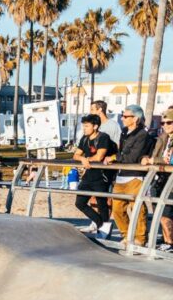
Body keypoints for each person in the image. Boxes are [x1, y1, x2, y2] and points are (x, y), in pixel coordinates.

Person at [109, 105, 152, 248]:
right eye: (123, 115)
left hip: (135, 176)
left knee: (138, 209)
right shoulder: (123, 132)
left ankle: (140, 238)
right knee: (117, 209)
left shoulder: (143, 135)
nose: (122, 118)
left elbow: (133, 157)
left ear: (136, 119)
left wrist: (115, 157)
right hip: (121, 176)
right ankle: (127, 235)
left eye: (126, 116)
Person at [72, 114, 113, 236]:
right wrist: (83, 159)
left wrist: (86, 159)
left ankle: (104, 230)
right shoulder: (84, 138)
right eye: (83, 126)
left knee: (102, 204)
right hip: (88, 175)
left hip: (101, 176)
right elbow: (75, 155)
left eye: (86, 126)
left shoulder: (103, 137)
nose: (84, 128)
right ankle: (101, 223)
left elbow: (100, 156)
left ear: (95, 126)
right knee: (79, 203)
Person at [144, 108, 173, 251]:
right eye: (163, 123)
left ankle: (169, 243)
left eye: (169, 122)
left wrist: (151, 160)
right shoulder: (164, 138)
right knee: (159, 211)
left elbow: (169, 160)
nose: (165, 125)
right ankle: (166, 239)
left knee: (165, 213)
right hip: (161, 179)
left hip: (170, 182)